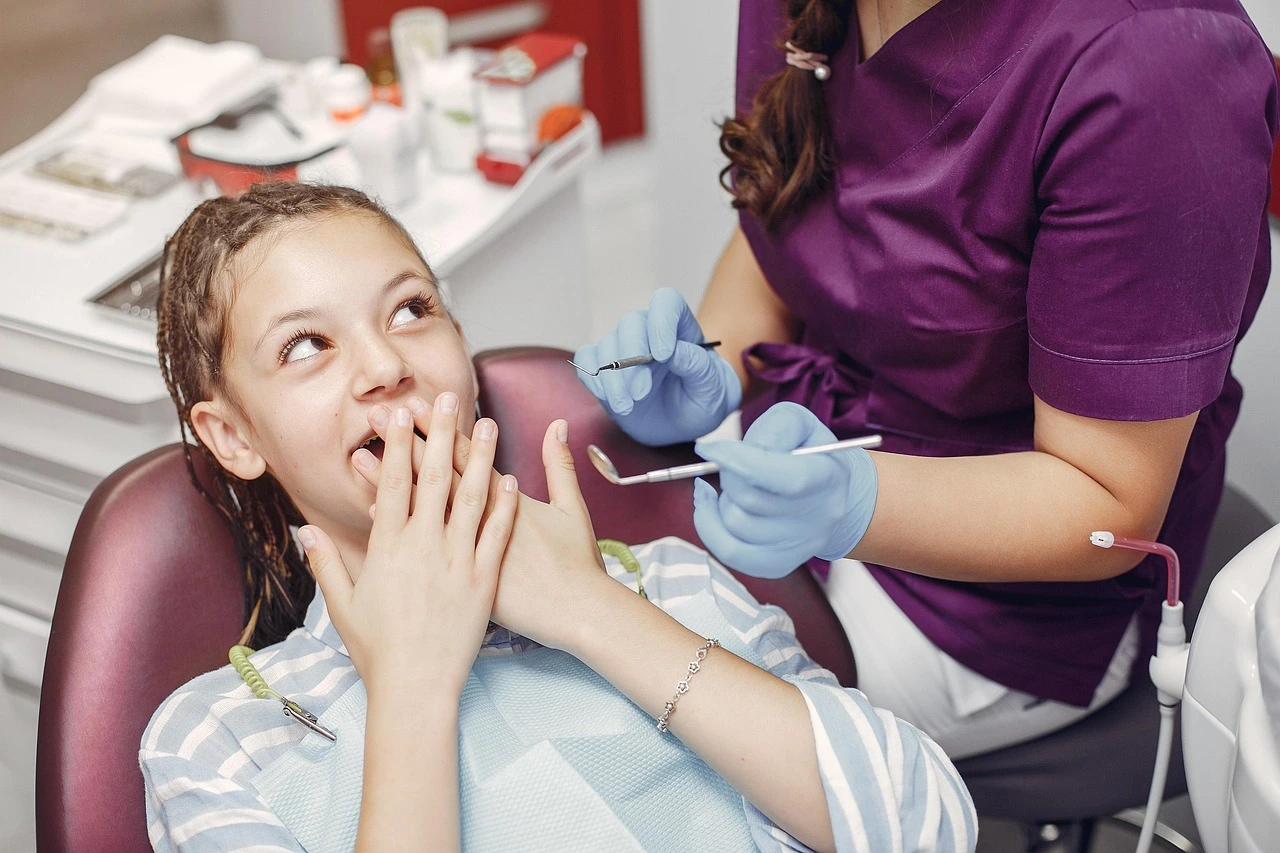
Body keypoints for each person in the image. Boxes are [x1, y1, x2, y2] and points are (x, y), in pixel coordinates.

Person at [138, 181, 975, 853]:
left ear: (462, 348)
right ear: (234, 435)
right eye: (305, 346)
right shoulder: (221, 739)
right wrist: (411, 686)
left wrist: (590, 608)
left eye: (409, 310)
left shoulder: (669, 583)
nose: (385, 366)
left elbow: (927, 827)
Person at [577, 0, 1280, 758]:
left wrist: (854, 502)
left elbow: (1110, 501)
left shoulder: (1154, 64)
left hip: (1004, 604)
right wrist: (715, 363)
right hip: (806, 471)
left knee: (641, 751)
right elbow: (795, 211)